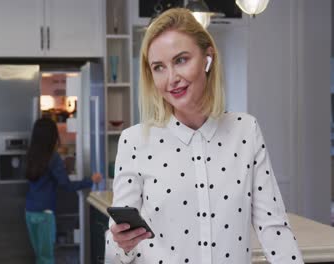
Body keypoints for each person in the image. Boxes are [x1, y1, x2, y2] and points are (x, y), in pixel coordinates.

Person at [105, 8, 303, 264]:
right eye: (159, 67)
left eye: (181, 60)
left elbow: (273, 228)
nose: (172, 78)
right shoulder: (135, 141)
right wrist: (121, 243)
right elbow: (117, 248)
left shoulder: (245, 130)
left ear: (207, 58)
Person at [25, 118, 102, 264]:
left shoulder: (31, 155)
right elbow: (67, 185)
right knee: (46, 258)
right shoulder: (53, 158)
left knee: (39, 256)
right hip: (45, 214)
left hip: (29, 211)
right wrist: (91, 180)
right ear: (52, 136)